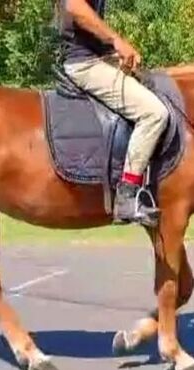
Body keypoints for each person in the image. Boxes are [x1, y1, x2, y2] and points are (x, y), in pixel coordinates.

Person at [56, 0, 169, 227]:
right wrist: (116, 40)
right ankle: (127, 195)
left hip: (98, 59)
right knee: (154, 113)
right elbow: (74, 6)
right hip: (85, 64)